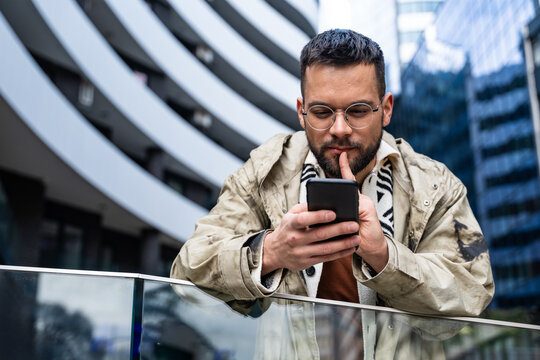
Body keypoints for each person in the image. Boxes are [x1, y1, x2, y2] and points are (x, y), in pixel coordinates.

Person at [171, 29, 494, 319]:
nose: (339, 129)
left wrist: (383, 257)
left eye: (357, 111)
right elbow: (188, 273)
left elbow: (473, 291)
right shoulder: (263, 171)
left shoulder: (435, 184)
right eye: (322, 112)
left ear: (387, 109)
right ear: (301, 111)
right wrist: (271, 252)